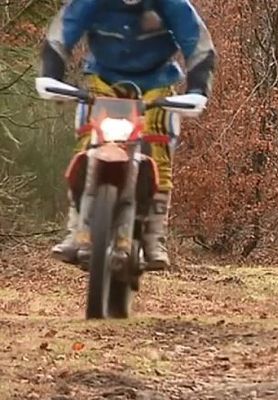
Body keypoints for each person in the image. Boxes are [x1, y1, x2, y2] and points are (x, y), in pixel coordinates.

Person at [39, 0, 216, 269]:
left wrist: (197, 90)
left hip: (156, 88)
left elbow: (199, 44)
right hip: (103, 84)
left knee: (160, 152)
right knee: (86, 144)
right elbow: (61, 33)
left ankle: (154, 239)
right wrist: (51, 75)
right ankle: (76, 230)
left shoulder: (172, 4)